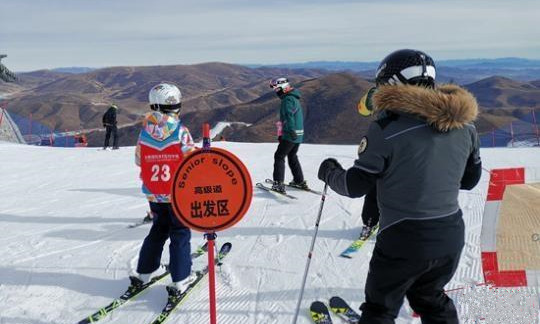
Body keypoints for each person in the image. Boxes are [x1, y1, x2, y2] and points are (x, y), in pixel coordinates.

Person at [317, 49, 482, 324]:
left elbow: (355, 185)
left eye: (381, 83)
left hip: (404, 238)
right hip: (450, 234)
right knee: (431, 299)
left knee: (381, 309)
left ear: (393, 84)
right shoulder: (465, 126)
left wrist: (329, 172)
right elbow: (469, 181)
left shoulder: (386, 129)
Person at [131, 83, 196, 298]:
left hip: (153, 192)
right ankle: (181, 279)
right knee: (180, 232)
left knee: (158, 230)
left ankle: (144, 273)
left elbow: (139, 160)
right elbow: (192, 160)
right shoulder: (181, 131)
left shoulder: (144, 133)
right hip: (177, 193)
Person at [269, 77, 308, 193]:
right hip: (298, 134)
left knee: (279, 156)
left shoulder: (287, 100)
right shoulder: (294, 98)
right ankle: (299, 181)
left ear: (284, 88)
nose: (277, 92)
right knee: (292, 156)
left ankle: (278, 184)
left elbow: (288, 116)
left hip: (291, 134)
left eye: (277, 89)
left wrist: (289, 131)